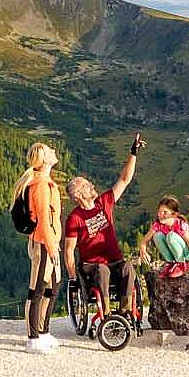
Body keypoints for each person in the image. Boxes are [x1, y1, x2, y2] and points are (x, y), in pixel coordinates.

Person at [65, 134, 144, 328]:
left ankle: (124, 312)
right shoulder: (74, 218)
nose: (91, 185)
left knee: (128, 268)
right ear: (78, 194)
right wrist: (73, 277)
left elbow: (124, 179)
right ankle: (107, 315)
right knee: (102, 270)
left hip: (115, 262)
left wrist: (133, 153)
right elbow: (68, 251)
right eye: (86, 185)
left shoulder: (104, 202)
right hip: (92, 267)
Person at [11, 142, 64, 353]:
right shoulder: (40, 185)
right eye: (50, 150)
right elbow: (42, 218)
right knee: (38, 288)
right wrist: (52, 247)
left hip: (50, 242)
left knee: (53, 287)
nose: (54, 151)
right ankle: (33, 338)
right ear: (43, 159)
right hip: (43, 243)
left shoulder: (45, 182)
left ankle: (43, 331)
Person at [137, 196, 189, 280]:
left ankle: (182, 265)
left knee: (171, 236)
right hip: (175, 249)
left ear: (173, 214)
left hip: (188, 252)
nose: (161, 215)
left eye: (165, 212)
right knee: (157, 236)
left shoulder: (180, 225)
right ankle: (171, 263)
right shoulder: (158, 224)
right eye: (159, 212)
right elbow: (144, 240)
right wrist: (143, 250)